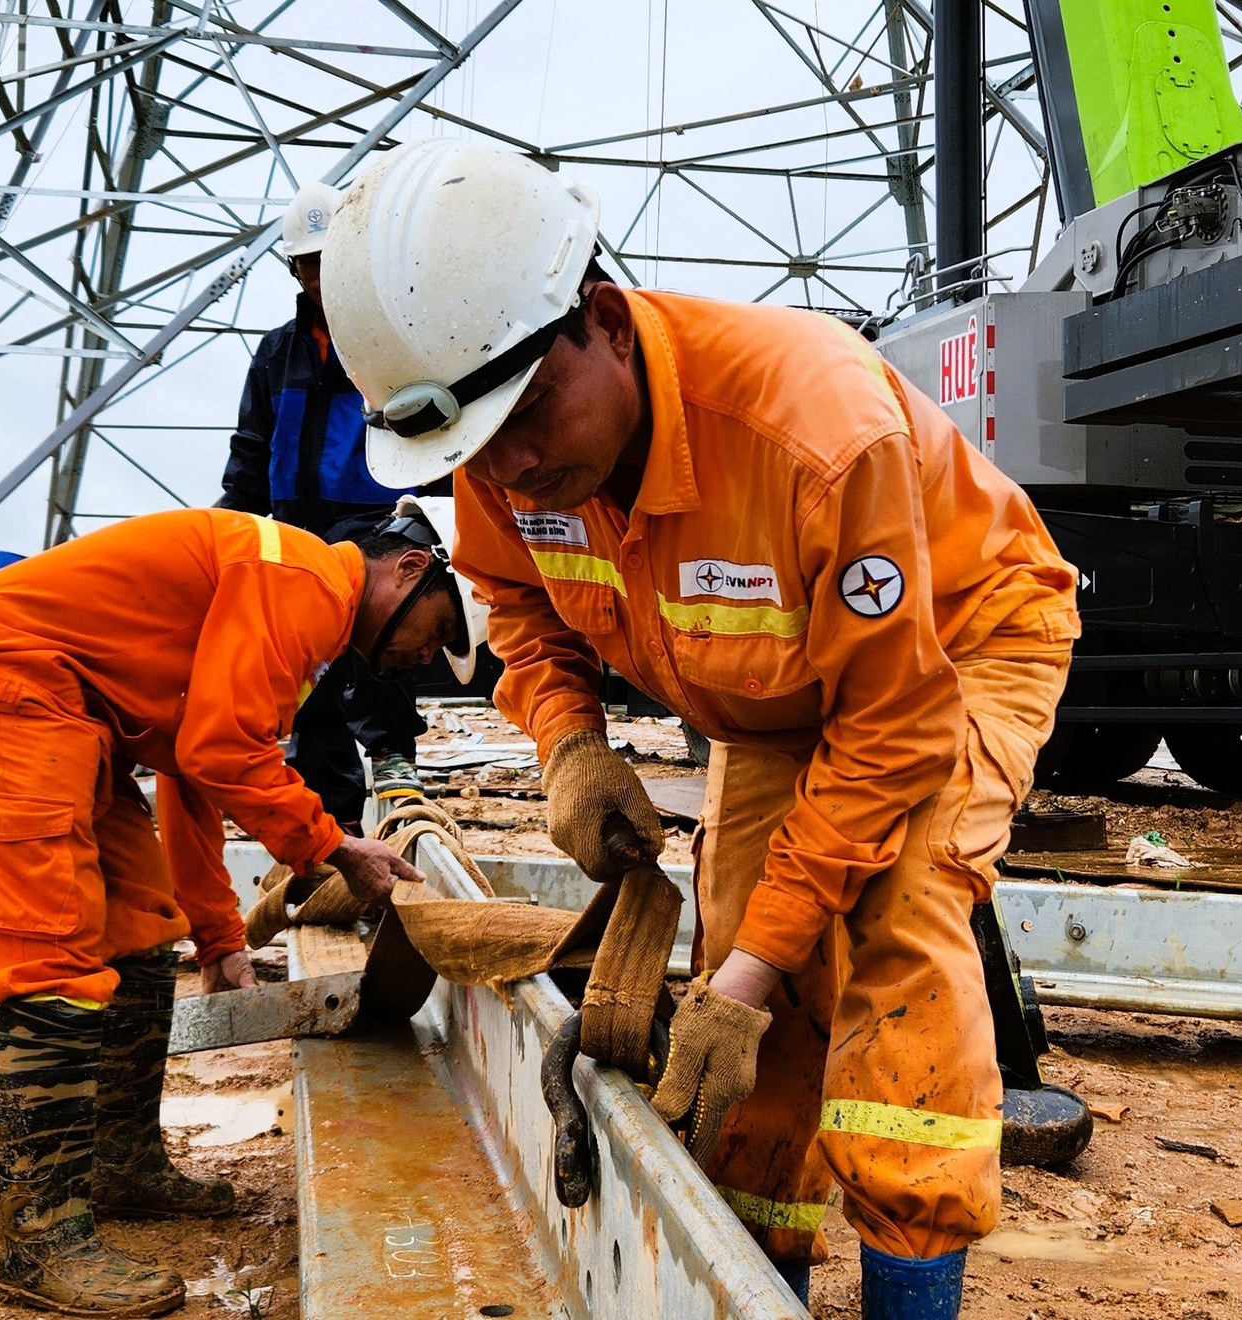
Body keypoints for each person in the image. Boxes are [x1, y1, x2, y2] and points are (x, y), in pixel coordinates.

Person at [326, 140, 1080, 1320]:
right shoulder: (495, 449)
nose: (514, 469)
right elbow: (518, 604)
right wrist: (571, 741)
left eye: (528, 417)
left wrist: (752, 970)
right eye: (479, 451)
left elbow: (889, 726)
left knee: (894, 932)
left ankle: (909, 1292)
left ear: (603, 320)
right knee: (744, 962)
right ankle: (753, 1275)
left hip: (950, 647)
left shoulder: (812, 427)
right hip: (777, 696)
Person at [0, 500, 482, 1316]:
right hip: (0, 684)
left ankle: (119, 1165)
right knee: (48, 960)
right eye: (440, 629)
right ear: (411, 569)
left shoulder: (298, 608)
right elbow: (223, 751)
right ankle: (37, 1240)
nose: (421, 656)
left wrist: (214, 935)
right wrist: (333, 847)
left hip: (69, 707)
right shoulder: (299, 580)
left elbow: (192, 765)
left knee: (136, 935)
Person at [215, 180, 426, 829]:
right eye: (306, 264)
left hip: (374, 521)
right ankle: (332, 826)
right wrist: (229, 525)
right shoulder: (279, 352)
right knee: (309, 678)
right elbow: (252, 445)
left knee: (376, 641)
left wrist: (427, 509)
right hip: (296, 528)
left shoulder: (389, 338)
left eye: (327, 261)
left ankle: (393, 761)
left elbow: (427, 428)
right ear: (294, 268)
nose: (316, 276)